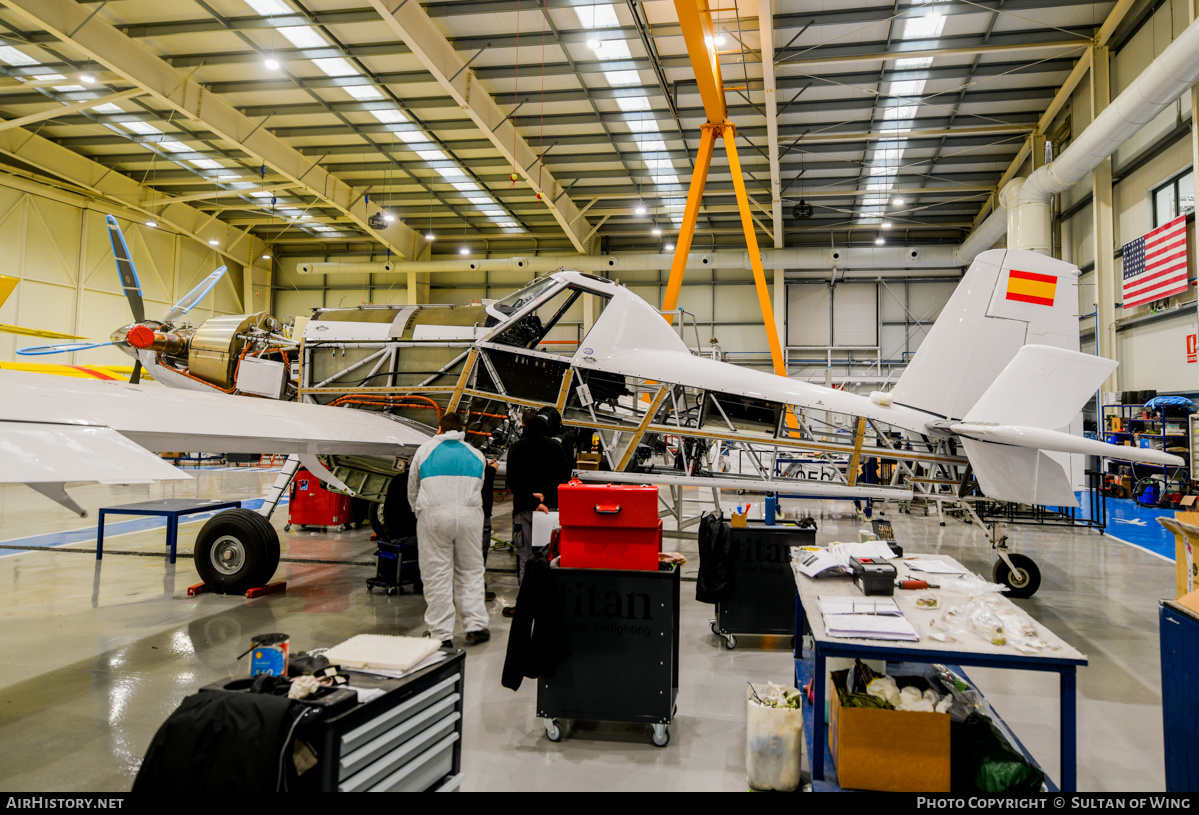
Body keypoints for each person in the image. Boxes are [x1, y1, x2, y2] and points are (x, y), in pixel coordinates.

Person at [407, 412, 490, 648]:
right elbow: (480, 486)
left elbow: (412, 487)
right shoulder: (476, 454)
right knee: (471, 570)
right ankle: (476, 627)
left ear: (439, 429)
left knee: (437, 574)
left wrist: (419, 512)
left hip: (434, 515)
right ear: (461, 430)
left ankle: (441, 635)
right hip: (470, 515)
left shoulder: (424, 451)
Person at [502, 408, 571, 618]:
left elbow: (512, 482)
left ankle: (525, 605)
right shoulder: (555, 446)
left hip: (524, 509)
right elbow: (564, 478)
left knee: (525, 557)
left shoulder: (516, 448)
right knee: (551, 557)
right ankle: (550, 604)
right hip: (550, 512)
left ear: (524, 425)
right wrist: (545, 499)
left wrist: (533, 500)